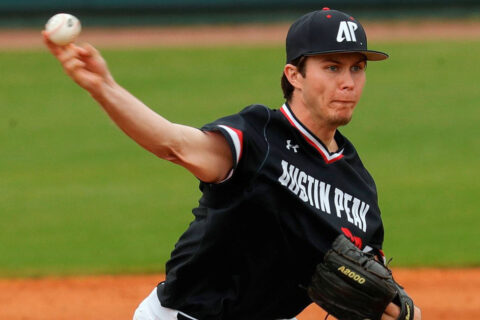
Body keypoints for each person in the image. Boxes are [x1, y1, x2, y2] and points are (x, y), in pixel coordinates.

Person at [43, 7, 421, 320]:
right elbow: (173, 144)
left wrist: (404, 311)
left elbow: (376, 283)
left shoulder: (358, 186)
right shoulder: (259, 136)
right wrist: (104, 87)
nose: (349, 82)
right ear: (295, 76)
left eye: (357, 68)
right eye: (332, 67)